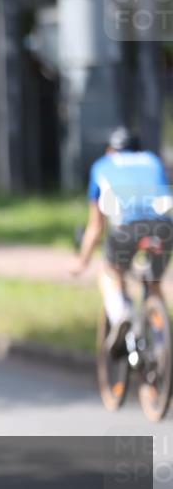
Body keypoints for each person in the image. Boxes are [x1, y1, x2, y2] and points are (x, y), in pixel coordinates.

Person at [71, 126, 173, 354]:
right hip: (164, 227)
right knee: (154, 285)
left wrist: (82, 261)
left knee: (110, 272)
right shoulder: (151, 160)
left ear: (110, 150)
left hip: (127, 228)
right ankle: (161, 347)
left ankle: (121, 315)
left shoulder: (102, 165)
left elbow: (96, 226)